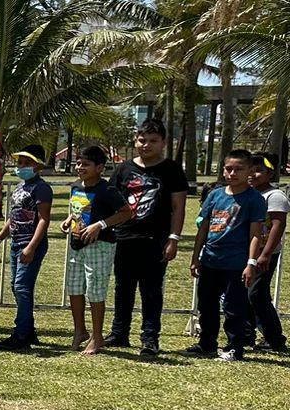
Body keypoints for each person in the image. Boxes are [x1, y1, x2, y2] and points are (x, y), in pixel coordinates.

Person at [107, 116, 190, 356]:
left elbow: (178, 207)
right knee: (123, 288)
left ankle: (150, 337)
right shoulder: (123, 168)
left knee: (151, 290)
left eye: (153, 140)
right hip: (124, 238)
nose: (147, 145)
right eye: (142, 140)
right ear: (135, 141)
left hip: (156, 240)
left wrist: (174, 238)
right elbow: (112, 202)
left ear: (163, 142)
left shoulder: (171, 169)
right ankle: (119, 333)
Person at [185, 149, 268, 361]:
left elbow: (255, 234)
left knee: (233, 307)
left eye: (238, 169)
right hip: (211, 260)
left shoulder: (254, 199)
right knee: (207, 304)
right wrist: (196, 257)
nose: (232, 173)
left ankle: (234, 347)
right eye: (229, 169)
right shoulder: (215, 195)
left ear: (249, 171)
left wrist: (251, 263)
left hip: (236, 263)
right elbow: (203, 229)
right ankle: (207, 344)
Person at [60, 145, 132, 356]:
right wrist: (69, 220)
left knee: (95, 290)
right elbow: (77, 209)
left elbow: (126, 212)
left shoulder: (107, 189)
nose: (80, 167)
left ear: (100, 167)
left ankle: (97, 336)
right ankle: (79, 331)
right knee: (74, 288)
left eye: (86, 164)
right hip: (76, 245)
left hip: (100, 246)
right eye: (78, 163)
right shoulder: (76, 186)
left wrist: (99, 225)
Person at [0, 145, 53, 351]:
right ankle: (28, 330)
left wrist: (31, 247)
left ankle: (21, 335)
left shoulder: (41, 188)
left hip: (29, 244)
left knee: (23, 288)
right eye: (20, 163)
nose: (22, 167)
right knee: (17, 287)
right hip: (16, 243)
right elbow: (12, 219)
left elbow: (44, 219)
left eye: (27, 163)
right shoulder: (20, 188)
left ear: (38, 166)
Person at [246, 154, 288, 352]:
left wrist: (266, 254)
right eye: (250, 169)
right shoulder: (249, 193)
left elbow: (278, 226)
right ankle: (247, 335)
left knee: (257, 294)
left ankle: (275, 339)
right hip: (246, 252)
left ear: (270, 173)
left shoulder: (274, 196)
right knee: (246, 293)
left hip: (264, 253)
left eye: (259, 170)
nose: (253, 174)